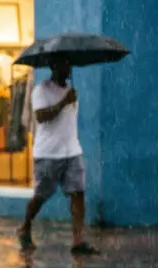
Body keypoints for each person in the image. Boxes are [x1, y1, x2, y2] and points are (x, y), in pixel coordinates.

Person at [17, 56, 98, 255]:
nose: (67, 68)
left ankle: (78, 240)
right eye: (63, 64)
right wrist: (64, 102)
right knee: (41, 196)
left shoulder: (71, 89)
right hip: (48, 154)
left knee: (78, 193)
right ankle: (25, 226)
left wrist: (69, 99)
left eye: (69, 64)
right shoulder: (41, 90)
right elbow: (41, 117)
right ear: (53, 67)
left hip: (72, 151)